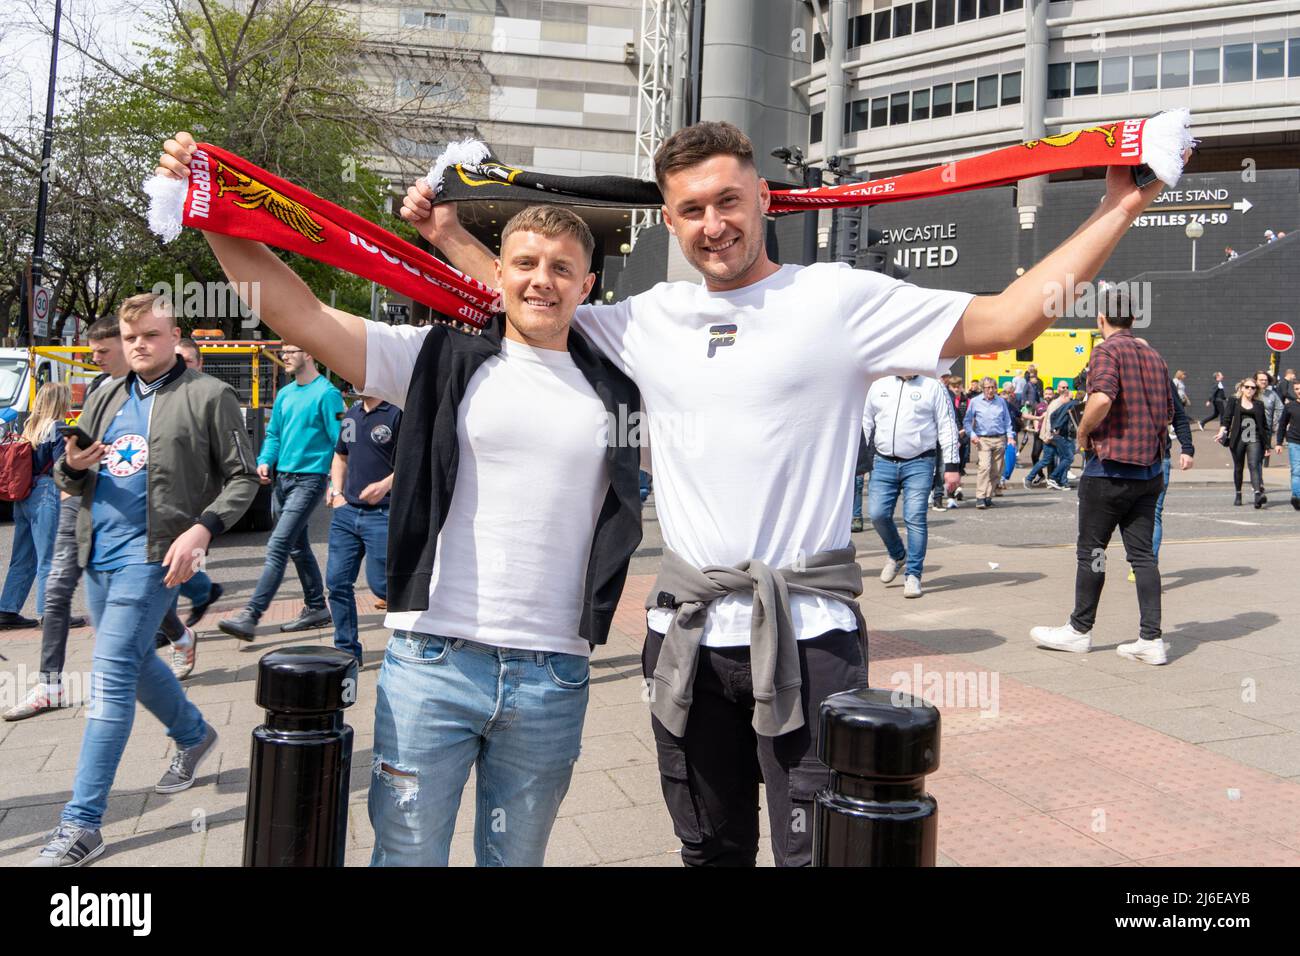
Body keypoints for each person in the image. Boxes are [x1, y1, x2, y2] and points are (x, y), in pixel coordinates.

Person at [393, 118, 1173, 867]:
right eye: (691, 210)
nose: (713, 224)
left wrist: (1121, 203)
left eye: (728, 201)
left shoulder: (836, 300)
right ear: (669, 220)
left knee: (816, 851)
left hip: (810, 635)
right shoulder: (643, 320)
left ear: (764, 197)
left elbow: (1006, 319)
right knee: (709, 848)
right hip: (689, 639)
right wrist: (447, 230)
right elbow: (531, 297)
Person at [160, 134, 644, 866]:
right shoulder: (436, 357)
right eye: (524, 264)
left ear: (586, 285)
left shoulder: (620, 385)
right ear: (499, 275)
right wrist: (213, 210)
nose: (540, 280)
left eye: (561, 269)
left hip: (553, 672)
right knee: (406, 858)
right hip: (433, 661)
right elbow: (300, 315)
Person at [31, 292, 258, 865]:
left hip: (154, 558)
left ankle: (82, 823)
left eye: (150, 336)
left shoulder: (210, 395)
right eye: (131, 338)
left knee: (107, 681)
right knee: (133, 668)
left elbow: (243, 478)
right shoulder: (105, 393)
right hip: (97, 553)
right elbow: (71, 471)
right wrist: (70, 466)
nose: (139, 346)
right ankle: (194, 734)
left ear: (173, 335)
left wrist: (203, 530)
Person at [1031, 292, 1174, 666]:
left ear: (1101, 319)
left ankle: (1080, 630)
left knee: (1092, 551)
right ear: (1132, 319)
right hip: (1149, 470)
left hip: (1110, 468)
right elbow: (1170, 411)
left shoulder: (1107, 352)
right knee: (1142, 557)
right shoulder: (1154, 356)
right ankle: (1151, 639)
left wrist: (1082, 436)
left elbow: (1102, 398)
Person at [4, 321, 123, 720]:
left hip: (36, 499)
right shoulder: (83, 402)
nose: (94, 359)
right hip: (63, 495)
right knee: (52, 576)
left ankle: (177, 636)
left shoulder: (29, 424)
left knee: (31, 562)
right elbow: (68, 461)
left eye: (101, 351)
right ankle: (49, 679)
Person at [218, 345, 344, 640]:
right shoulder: (286, 394)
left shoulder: (327, 394)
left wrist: (335, 483)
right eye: (283, 350)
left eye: (291, 350)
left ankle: (251, 615)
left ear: (310, 353)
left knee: (278, 545)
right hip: (282, 481)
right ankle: (316, 607)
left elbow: (341, 443)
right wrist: (264, 460)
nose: (284, 355)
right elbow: (274, 434)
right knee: (298, 547)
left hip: (309, 481)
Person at [862, 375, 960, 598]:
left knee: (915, 517)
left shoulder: (932, 386)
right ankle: (897, 554)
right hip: (883, 461)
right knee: (877, 514)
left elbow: (947, 425)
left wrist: (952, 466)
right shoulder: (879, 385)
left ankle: (913, 575)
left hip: (920, 461)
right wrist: (859, 459)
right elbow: (866, 421)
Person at [325, 393, 401, 663]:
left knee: (382, 586)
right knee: (336, 583)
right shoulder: (352, 415)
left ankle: (419, 638)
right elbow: (340, 457)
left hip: (383, 514)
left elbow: (413, 459)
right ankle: (346, 651)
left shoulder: (396, 412)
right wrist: (336, 493)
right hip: (347, 514)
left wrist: (385, 486)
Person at [0, 382, 70, 630]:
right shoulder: (58, 427)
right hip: (46, 493)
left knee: (22, 557)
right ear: (61, 400)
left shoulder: (29, 426)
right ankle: (49, 613)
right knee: (48, 556)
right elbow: (62, 468)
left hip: (24, 494)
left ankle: (7, 609)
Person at [1218, 378, 1270, 508]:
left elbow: (1264, 425)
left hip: (1255, 438)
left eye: (1253, 388)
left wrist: (1267, 444)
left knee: (1254, 464)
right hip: (1238, 438)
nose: (1250, 390)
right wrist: (1222, 431)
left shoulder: (1259, 404)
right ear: (1241, 388)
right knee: (1239, 467)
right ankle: (1238, 493)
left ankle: (1258, 494)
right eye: (1247, 387)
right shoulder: (1234, 401)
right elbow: (1227, 418)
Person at [964, 377, 1014, 508]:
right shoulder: (975, 402)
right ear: (982, 388)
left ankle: (988, 496)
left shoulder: (1001, 401)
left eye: (993, 387)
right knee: (984, 467)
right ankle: (980, 497)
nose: (991, 390)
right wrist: (973, 435)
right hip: (983, 439)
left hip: (999, 438)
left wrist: (1010, 436)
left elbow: (1007, 421)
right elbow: (967, 421)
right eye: (987, 387)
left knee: (996, 470)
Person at [1277, 378, 1300, 510]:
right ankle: (1298, 497)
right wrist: (1279, 443)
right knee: (1297, 470)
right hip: (1294, 442)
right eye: (1296, 389)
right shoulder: (1289, 406)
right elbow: (1282, 425)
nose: (1299, 391)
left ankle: (1295, 495)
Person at [1255, 370, 1284, 473]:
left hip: (1266, 430)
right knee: (1254, 457)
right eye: (1261, 380)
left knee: (1260, 456)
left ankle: (1258, 482)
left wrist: (1274, 422)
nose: (1263, 382)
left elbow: (1280, 408)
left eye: (1265, 380)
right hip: (1252, 430)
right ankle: (1257, 480)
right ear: (1256, 380)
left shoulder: (1272, 394)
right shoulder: (1251, 391)